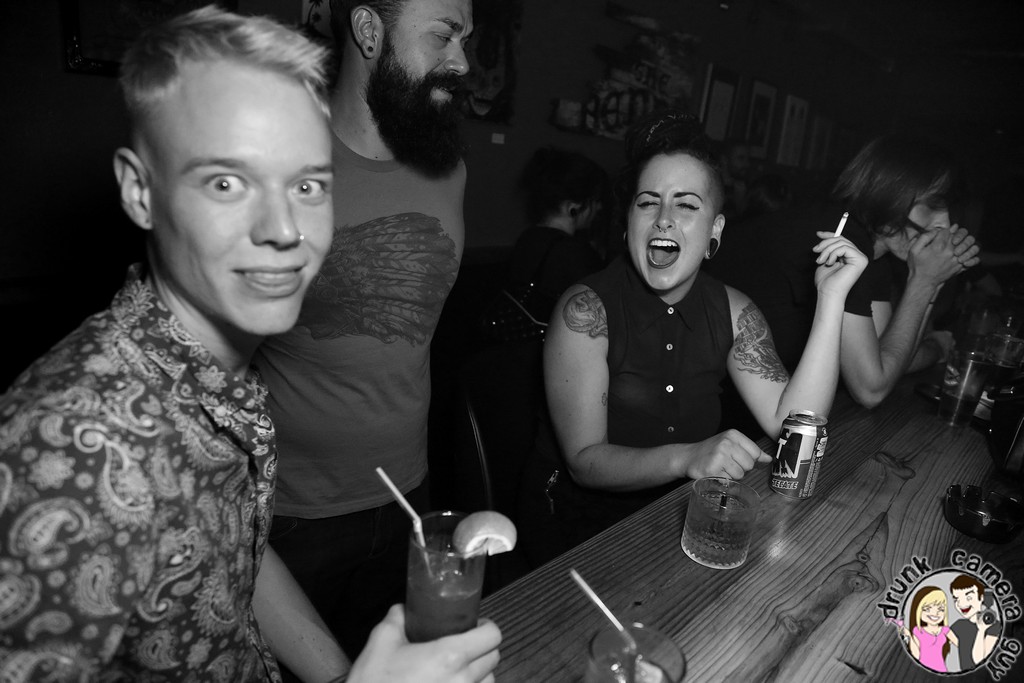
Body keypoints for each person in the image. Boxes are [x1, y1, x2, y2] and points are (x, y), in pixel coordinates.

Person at [0, 7, 500, 682]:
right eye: (227, 182)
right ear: (139, 192)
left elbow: (235, 559)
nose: (284, 229)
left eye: (308, 185)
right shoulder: (66, 450)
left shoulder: (218, 378)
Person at [517, 110, 867, 565]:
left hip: (678, 518)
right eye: (648, 202)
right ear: (627, 223)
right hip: (577, 532)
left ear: (714, 231)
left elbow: (793, 426)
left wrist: (831, 300)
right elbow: (585, 462)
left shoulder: (735, 311)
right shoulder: (585, 310)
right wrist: (688, 458)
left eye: (685, 205)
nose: (663, 219)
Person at [253, 0, 475, 657]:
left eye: (466, 39)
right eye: (445, 35)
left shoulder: (449, 169)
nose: (463, 61)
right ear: (370, 31)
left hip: (408, 496)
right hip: (288, 517)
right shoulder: (275, 158)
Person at [707, 135, 981, 409]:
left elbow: (887, 357)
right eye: (934, 204)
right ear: (892, 190)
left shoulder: (874, 253)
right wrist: (926, 285)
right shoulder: (842, 239)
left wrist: (932, 283)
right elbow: (870, 388)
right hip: (715, 404)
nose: (944, 224)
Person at [502, 146, 608, 327]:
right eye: (595, 200)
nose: (599, 207)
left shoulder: (528, 237)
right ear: (573, 206)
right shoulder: (574, 252)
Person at [898, 586, 958, 673]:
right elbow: (916, 655)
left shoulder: (945, 630)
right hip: (922, 671)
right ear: (918, 610)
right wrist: (909, 636)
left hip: (942, 670)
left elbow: (961, 645)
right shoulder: (918, 631)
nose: (935, 613)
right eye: (927, 609)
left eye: (941, 609)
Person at [949, 574, 1000, 670]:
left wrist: (981, 630)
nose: (961, 604)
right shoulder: (959, 625)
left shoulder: (994, 626)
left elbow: (979, 661)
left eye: (969, 598)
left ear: (981, 597)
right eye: (956, 599)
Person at [718, 137, 752, 220]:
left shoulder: (750, 188)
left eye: (748, 159)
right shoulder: (714, 187)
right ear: (724, 160)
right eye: (741, 158)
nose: (747, 164)